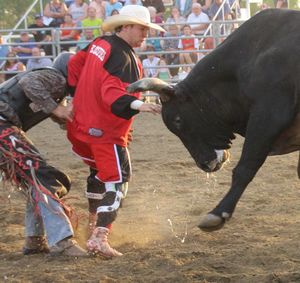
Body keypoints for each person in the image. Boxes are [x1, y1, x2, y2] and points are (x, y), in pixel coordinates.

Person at [67, 5, 165, 258]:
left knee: (98, 174)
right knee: (117, 183)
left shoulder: (100, 43)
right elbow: (112, 95)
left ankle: (91, 224)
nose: (145, 34)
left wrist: (77, 96)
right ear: (127, 26)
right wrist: (139, 104)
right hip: (105, 133)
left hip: (79, 129)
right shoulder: (127, 59)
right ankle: (99, 237)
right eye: (142, 29)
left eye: (147, 29)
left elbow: (75, 64)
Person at [0, 52, 87, 256]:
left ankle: (35, 240)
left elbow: (63, 118)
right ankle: (61, 241)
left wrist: (66, 115)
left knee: (35, 179)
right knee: (43, 178)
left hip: (5, 127)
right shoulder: (55, 77)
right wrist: (58, 110)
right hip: (3, 126)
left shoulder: (55, 90)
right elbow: (29, 82)